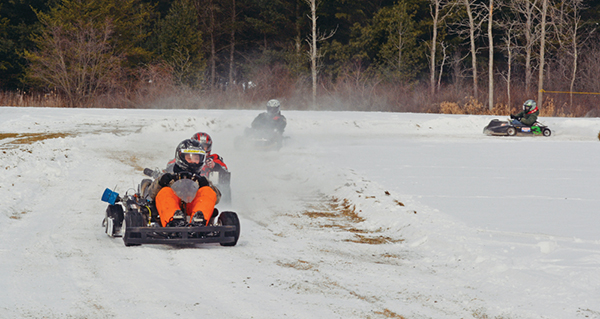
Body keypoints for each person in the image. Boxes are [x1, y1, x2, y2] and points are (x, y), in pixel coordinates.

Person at [152, 139, 218, 227]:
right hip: (174, 209)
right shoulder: (170, 178)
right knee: (165, 191)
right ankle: (174, 222)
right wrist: (160, 182)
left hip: (194, 209)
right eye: (189, 158)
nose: (193, 162)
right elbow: (151, 194)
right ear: (181, 157)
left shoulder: (201, 180)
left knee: (207, 191)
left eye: (196, 158)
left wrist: (207, 185)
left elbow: (217, 198)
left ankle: (198, 222)